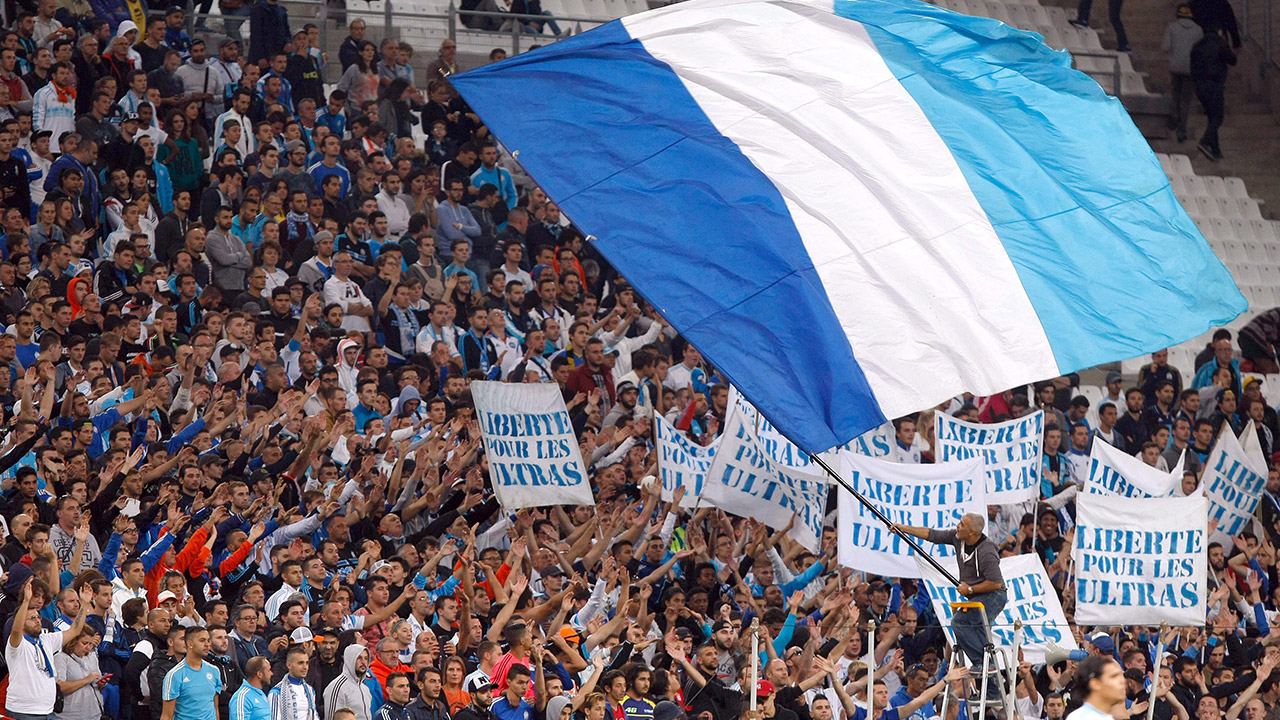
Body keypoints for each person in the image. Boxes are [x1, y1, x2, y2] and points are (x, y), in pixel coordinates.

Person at [890, 515, 1005, 691]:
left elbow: (996, 583)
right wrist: (903, 529)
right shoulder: (958, 538)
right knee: (973, 631)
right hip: (976, 597)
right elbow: (931, 534)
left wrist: (971, 590)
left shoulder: (986, 551)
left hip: (993, 596)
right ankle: (992, 684)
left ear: (972, 532)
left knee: (960, 622)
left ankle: (983, 663)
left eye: (962, 524)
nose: (957, 526)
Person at [1190, 21, 1236, 161]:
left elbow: (1192, 66)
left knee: (1212, 117)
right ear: (1220, 31)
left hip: (1199, 85)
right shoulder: (1220, 44)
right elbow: (1232, 60)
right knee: (1217, 117)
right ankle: (1205, 141)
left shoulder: (1197, 45)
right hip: (1214, 85)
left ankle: (1215, 150)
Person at [1164, 4, 1203, 143]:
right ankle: (1182, 130)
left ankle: (1174, 116)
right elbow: (1200, 51)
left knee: (1175, 95)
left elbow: (1165, 47)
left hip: (1175, 67)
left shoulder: (1172, 27)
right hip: (1190, 69)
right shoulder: (1199, 30)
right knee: (1185, 100)